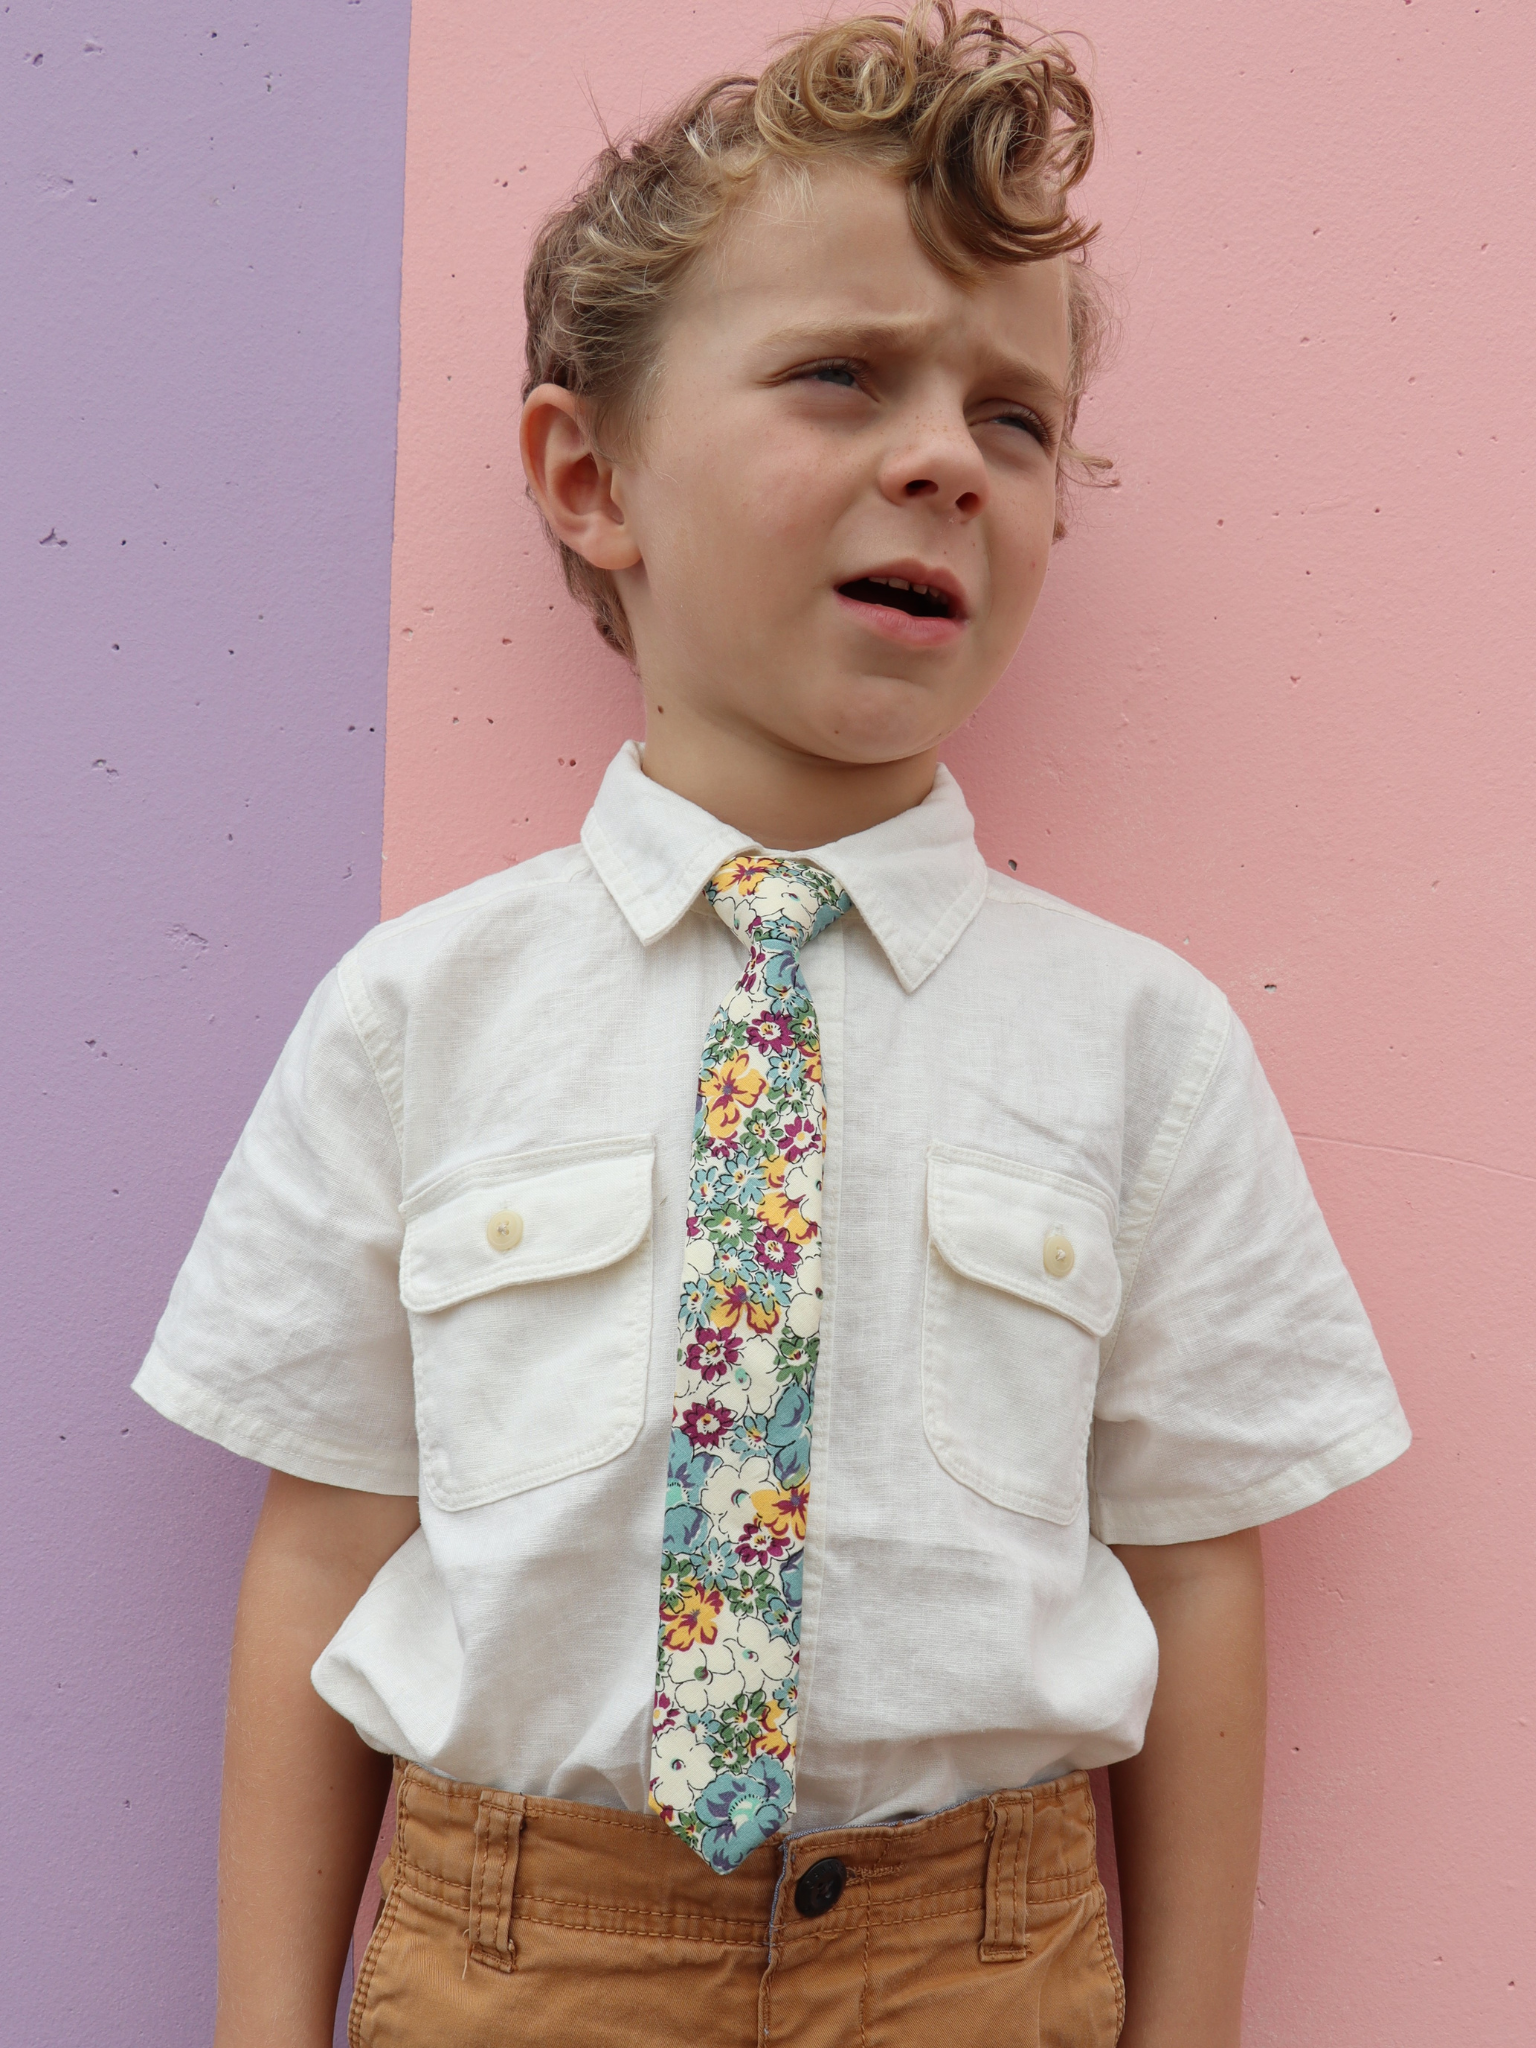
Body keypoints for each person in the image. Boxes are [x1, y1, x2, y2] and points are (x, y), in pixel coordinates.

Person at [134, 7, 1410, 2044]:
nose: (942, 455)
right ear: (588, 474)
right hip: (517, 1953)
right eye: (842, 373)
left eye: (1015, 420)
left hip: (979, 1953)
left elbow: (1195, 1573)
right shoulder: (417, 1017)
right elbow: (323, 1546)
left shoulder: (1138, 1045)